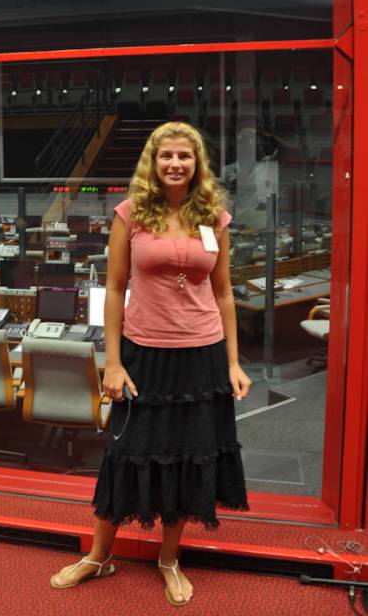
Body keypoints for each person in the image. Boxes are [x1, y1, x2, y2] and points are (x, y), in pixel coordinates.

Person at [50, 121, 251, 605]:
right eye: (166, 156)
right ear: (153, 162)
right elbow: (115, 290)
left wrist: (233, 362)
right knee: (126, 454)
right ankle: (98, 556)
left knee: (187, 456)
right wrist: (112, 363)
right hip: (144, 354)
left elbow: (223, 293)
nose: (175, 164)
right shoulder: (131, 214)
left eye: (185, 155)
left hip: (200, 356)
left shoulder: (215, 217)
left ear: (197, 162)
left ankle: (169, 559)